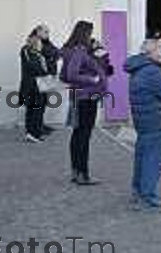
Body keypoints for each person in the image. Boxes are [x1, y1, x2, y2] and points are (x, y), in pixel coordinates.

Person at [125, 39, 161, 209]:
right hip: (154, 119)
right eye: (160, 52)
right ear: (152, 53)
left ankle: (137, 189)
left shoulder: (137, 67)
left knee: (142, 155)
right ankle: (148, 194)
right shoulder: (152, 71)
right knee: (153, 158)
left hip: (142, 119)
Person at [61, 21, 112, 185]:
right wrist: (93, 79)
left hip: (81, 97)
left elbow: (64, 76)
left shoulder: (73, 51)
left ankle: (76, 172)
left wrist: (100, 54)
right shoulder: (80, 51)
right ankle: (83, 174)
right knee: (83, 136)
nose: (92, 36)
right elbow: (70, 75)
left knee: (78, 135)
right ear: (85, 34)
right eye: (90, 33)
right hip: (86, 97)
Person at [19, 31, 48, 143]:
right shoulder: (26, 51)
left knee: (36, 110)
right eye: (39, 42)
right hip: (32, 86)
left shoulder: (38, 55)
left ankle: (33, 132)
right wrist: (44, 71)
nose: (41, 45)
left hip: (39, 86)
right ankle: (33, 133)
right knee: (35, 110)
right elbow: (34, 68)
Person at [34, 24, 61, 134]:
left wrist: (52, 55)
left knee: (44, 102)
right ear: (38, 31)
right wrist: (51, 55)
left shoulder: (47, 42)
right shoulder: (35, 42)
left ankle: (41, 124)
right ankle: (36, 127)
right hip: (40, 78)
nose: (47, 34)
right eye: (45, 32)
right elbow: (48, 53)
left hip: (48, 77)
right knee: (38, 103)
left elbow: (57, 53)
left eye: (48, 32)